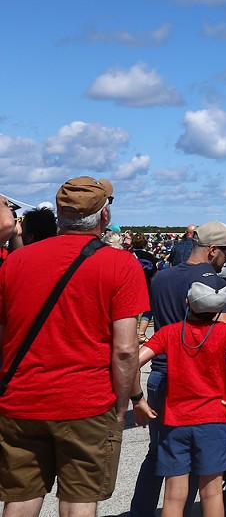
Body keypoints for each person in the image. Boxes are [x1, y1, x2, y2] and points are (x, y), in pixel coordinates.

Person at [0, 176, 149, 517]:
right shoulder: (121, 264)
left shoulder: (16, 262)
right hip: (86, 401)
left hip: (21, 398)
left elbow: (4, 336)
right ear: (104, 217)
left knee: (20, 499)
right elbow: (125, 350)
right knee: (79, 500)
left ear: (59, 215)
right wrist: (123, 401)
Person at [129, 221, 226, 517]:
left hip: (159, 370)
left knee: (161, 453)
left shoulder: (161, 278)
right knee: (200, 464)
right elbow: (223, 333)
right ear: (213, 250)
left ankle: (140, 511)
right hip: (197, 376)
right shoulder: (215, 283)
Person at [137, 278, 226, 517]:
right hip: (212, 419)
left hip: (176, 421)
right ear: (218, 310)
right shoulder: (224, 332)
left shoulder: (169, 332)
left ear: (187, 302)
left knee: (173, 496)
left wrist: (137, 399)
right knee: (211, 492)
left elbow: (133, 361)